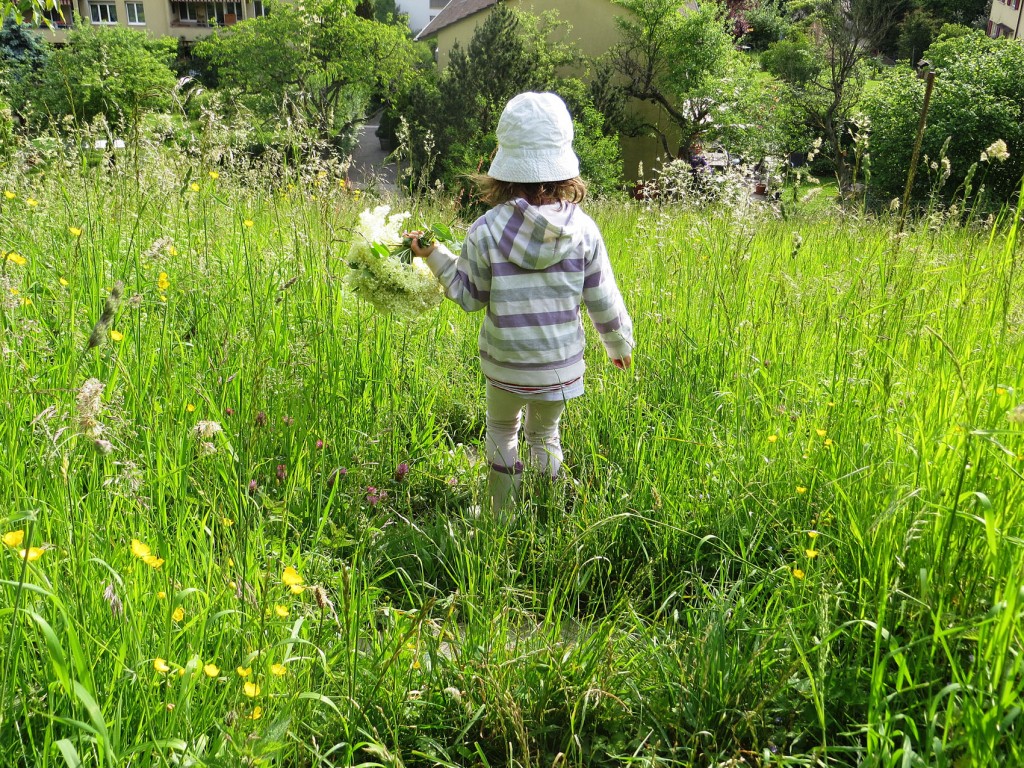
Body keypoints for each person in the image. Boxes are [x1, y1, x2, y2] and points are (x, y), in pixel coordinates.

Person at [408, 92, 634, 515]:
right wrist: (618, 344)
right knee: (545, 435)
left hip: (506, 365)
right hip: (560, 365)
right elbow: (602, 294)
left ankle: (502, 514)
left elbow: (469, 296)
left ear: (504, 169)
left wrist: (435, 255)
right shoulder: (583, 230)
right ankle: (545, 510)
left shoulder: (486, 229)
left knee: (500, 429)